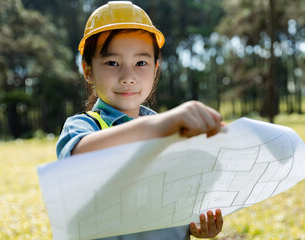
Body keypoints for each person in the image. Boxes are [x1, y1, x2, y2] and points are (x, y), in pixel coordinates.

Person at [57, 1, 224, 239]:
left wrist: (197, 226)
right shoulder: (84, 127)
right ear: (88, 70)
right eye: (112, 63)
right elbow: (77, 158)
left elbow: (176, 203)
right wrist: (160, 127)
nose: (128, 77)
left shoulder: (173, 130)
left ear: (155, 69)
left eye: (141, 63)